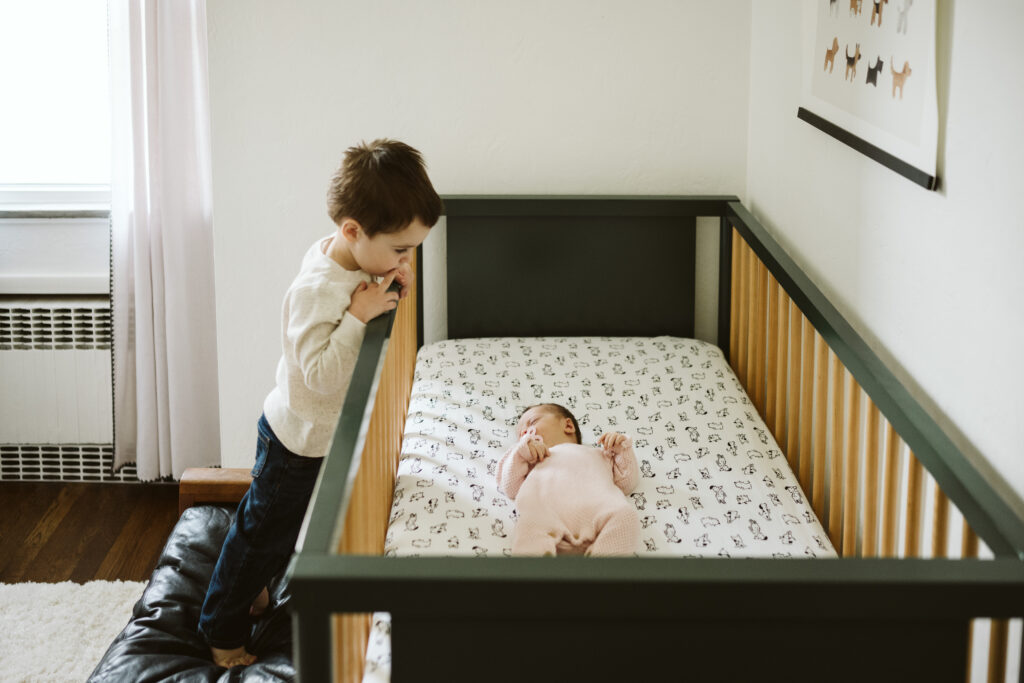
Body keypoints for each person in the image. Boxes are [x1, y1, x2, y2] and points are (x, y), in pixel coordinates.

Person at [198, 139, 442, 668]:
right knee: (261, 535)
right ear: (353, 230)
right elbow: (321, 375)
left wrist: (385, 278)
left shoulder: (351, 258)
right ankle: (221, 629)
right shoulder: (317, 288)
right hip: (297, 441)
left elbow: (365, 283)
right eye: (401, 249)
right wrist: (359, 317)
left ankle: (255, 587)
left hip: (311, 437)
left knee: (274, 534)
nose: (408, 259)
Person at [496, 403, 641, 556]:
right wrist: (521, 452)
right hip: (545, 515)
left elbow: (626, 483)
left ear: (568, 426)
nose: (525, 432)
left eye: (532, 422)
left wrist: (621, 449)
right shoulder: (528, 459)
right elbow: (510, 487)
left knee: (626, 517)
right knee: (528, 527)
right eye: (520, 434)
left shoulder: (599, 454)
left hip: (597, 513)